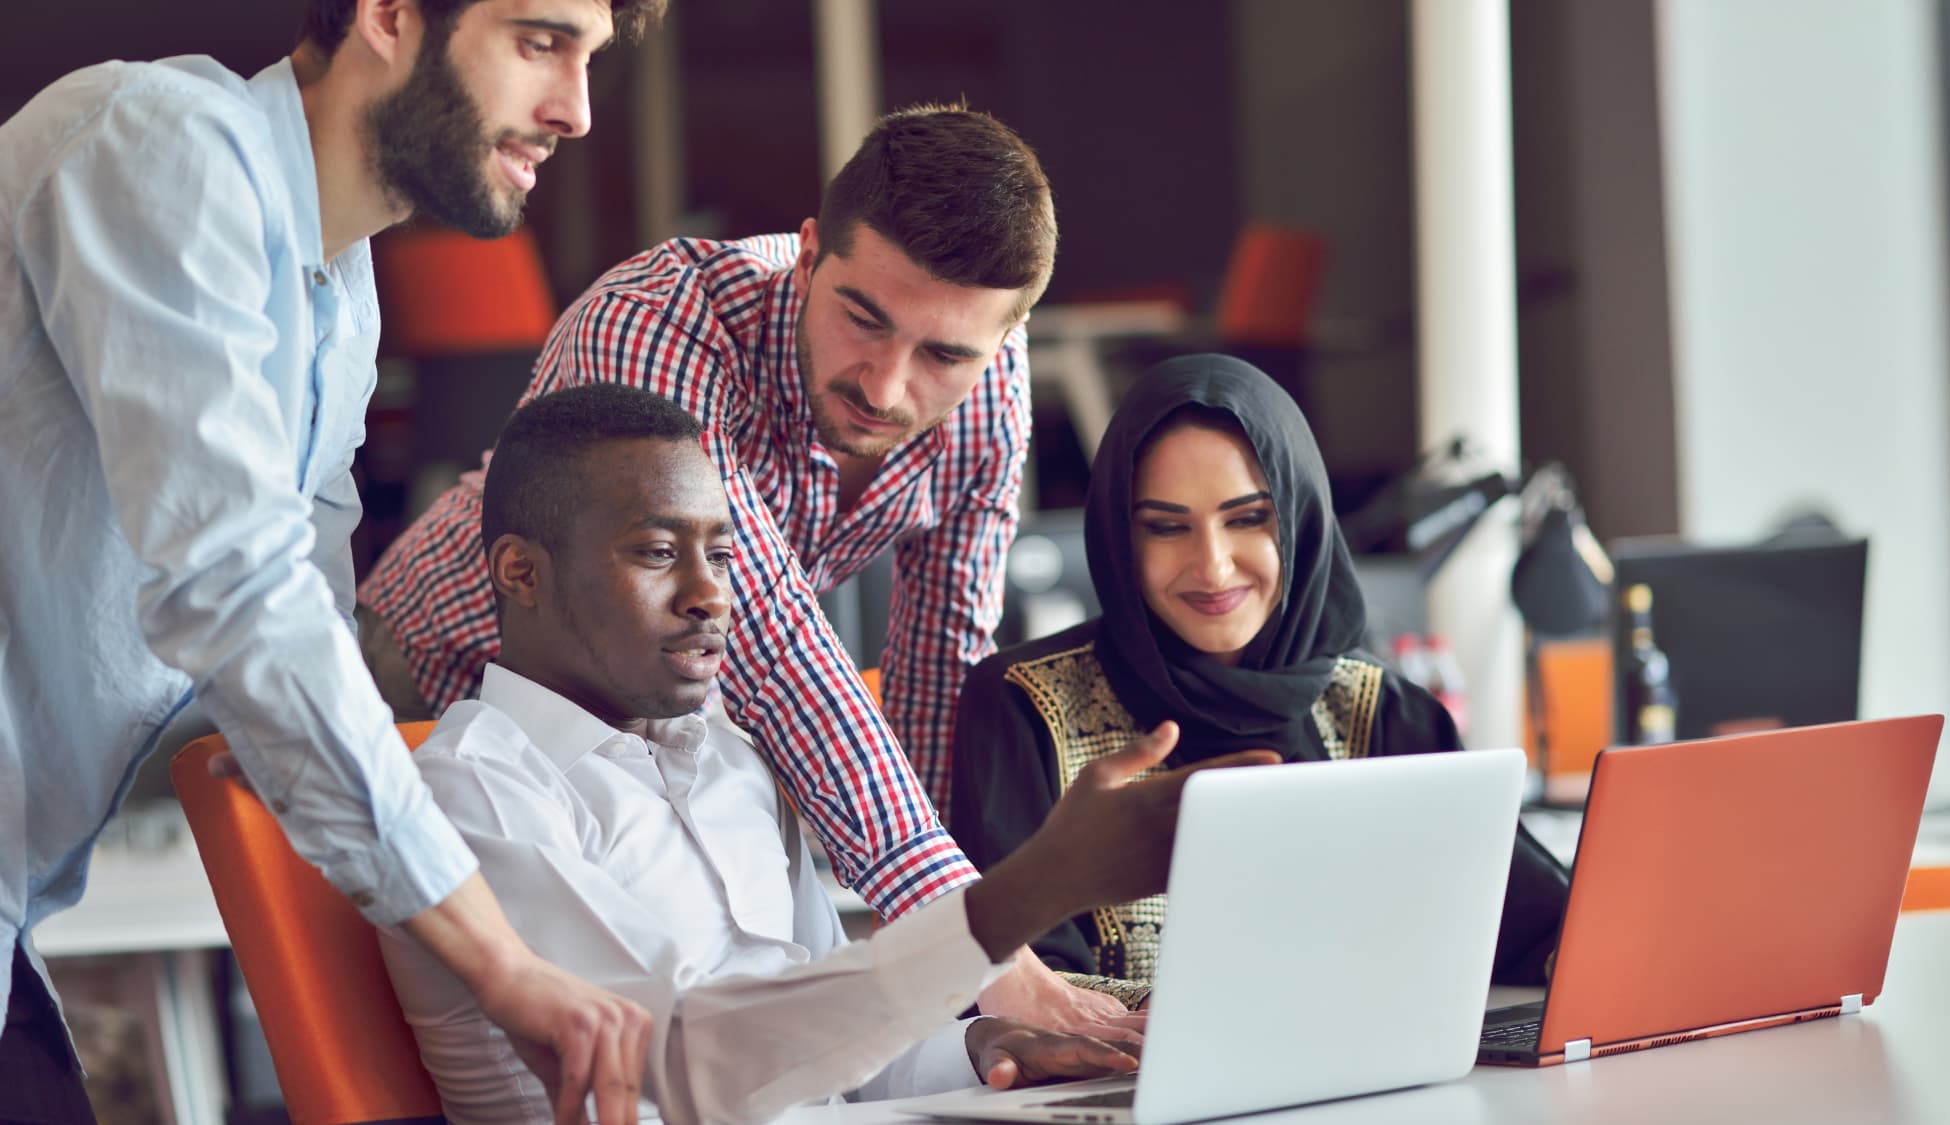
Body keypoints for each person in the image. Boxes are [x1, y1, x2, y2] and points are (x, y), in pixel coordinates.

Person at [0, 3, 668, 1119]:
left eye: (590, 59)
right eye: (539, 41)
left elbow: (304, 652)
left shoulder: (334, 295)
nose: (576, 111)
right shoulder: (155, 140)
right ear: (390, 15)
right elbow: (238, 595)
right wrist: (496, 961)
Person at [359, 103, 1123, 1031]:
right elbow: (769, 636)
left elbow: (939, 673)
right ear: (807, 255)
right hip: (432, 673)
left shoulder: (990, 395)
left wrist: (957, 985)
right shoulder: (660, 323)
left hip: (655, 711)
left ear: (1003, 343)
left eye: (944, 353)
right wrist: (971, 938)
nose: (886, 384)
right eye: (863, 318)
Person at [377, 383, 1273, 1122]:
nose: (710, 595)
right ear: (520, 572)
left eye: (722, 556)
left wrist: (973, 1048)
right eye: (657, 552)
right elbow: (691, 1060)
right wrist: (1032, 890)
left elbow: (822, 1033)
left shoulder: (730, 759)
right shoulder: (465, 794)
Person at [948, 355, 1572, 1002]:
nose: (1213, 567)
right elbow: (1012, 985)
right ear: (1118, 537)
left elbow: (1538, 932)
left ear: (1300, 519)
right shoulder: (1024, 707)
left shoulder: (1383, 711)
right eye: (1165, 527)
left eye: (1248, 518)